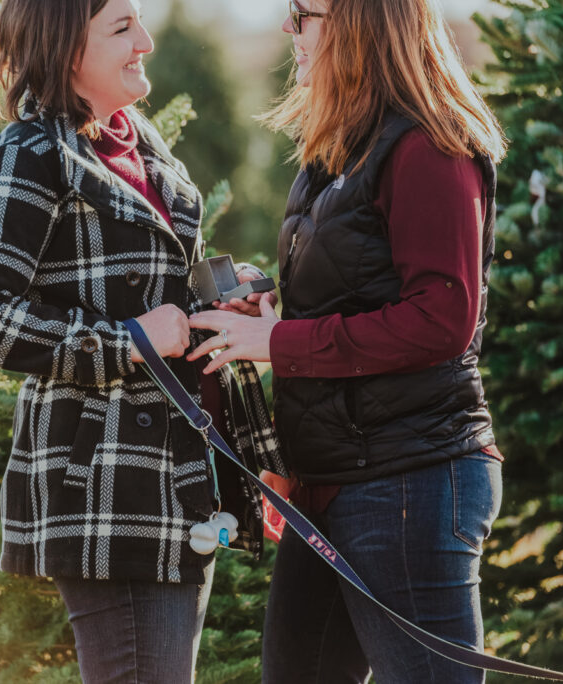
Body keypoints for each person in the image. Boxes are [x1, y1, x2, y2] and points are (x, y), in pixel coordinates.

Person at [0, 0, 284, 681]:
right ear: (67, 49)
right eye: (122, 28)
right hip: (107, 487)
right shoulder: (31, 156)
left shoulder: (138, 145)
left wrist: (218, 293)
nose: (146, 42)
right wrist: (122, 341)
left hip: (179, 481)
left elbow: (144, 290)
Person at [187, 0, 508, 681]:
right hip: (332, 485)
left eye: (303, 12)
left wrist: (278, 342)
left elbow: (440, 320)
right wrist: (271, 305)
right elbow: (362, 289)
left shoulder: (429, 145)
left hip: (410, 485)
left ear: (360, 21)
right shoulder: (337, 151)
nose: (287, 28)